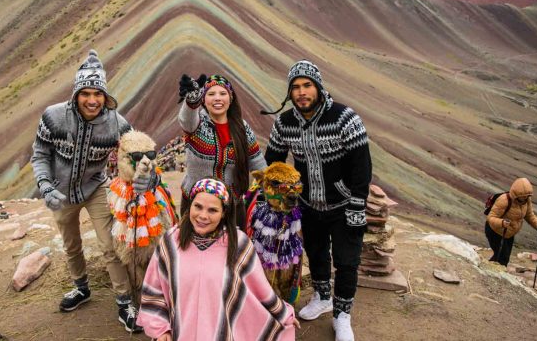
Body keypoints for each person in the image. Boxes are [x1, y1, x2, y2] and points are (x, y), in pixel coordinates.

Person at [31, 49, 156, 332]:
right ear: (76, 94)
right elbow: (39, 154)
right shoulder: (52, 117)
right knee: (71, 244)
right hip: (59, 192)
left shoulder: (118, 124)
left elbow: (139, 155)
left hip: (96, 187)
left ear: (105, 96)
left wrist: (148, 178)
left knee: (110, 244)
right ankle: (81, 288)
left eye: (97, 93)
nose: (92, 100)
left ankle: (125, 302)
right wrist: (45, 185)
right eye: (85, 93)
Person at [264, 60, 371, 341]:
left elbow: (362, 166)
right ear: (290, 93)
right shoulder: (284, 123)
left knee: (347, 261)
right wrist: (279, 195)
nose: (301, 92)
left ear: (319, 88)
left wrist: (358, 203)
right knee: (316, 252)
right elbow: (273, 161)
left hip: (344, 204)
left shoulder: (344, 118)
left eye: (307, 85)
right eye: (296, 87)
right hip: (307, 204)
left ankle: (342, 315)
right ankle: (323, 297)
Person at [137, 179, 298, 340]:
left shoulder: (238, 244)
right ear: (190, 206)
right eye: (198, 206)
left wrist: (284, 315)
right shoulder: (171, 242)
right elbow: (154, 290)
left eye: (213, 210)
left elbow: (260, 290)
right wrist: (161, 330)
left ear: (223, 214)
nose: (203, 216)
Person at [178, 74, 266, 228]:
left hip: (232, 205)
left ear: (231, 98)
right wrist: (191, 101)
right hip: (197, 205)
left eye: (223, 93)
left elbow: (257, 161)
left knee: (232, 249)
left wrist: (273, 188)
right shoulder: (197, 125)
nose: (217, 98)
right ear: (203, 99)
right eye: (211, 94)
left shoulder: (242, 128)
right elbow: (186, 119)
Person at [486, 177, 537, 266]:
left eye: (527, 195)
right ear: (516, 193)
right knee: (502, 258)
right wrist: (502, 222)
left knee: (503, 257)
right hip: (495, 231)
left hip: (509, 233)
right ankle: (494, 274)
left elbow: (529, 215)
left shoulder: (527, 201)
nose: (525, 197)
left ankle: (492, 271)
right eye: (523, 195)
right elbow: (491, 217)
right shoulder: (504, 200)